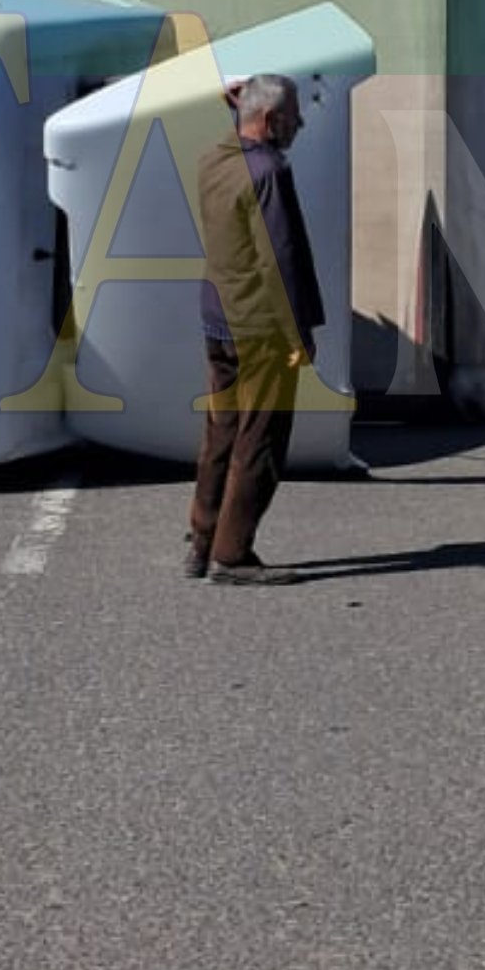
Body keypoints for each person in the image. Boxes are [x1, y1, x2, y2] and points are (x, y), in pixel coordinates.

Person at [186, 73, 325, 587]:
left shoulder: (215, 159)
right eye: (292, 116)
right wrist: (301, 333)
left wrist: (237, 102)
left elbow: (237, 134)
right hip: (263, 330)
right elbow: (282, 260)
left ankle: (202, 539)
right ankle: (233, 552)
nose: (301, 123)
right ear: (270, 121)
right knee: (261, 438)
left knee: (221, 430)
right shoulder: (269, 173)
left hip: (217, 317)